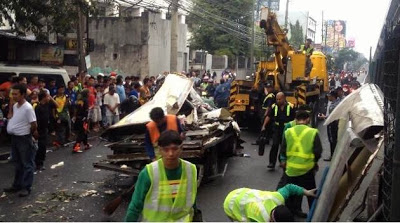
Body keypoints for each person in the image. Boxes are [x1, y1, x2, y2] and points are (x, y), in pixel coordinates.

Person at [125, 130, 197, 222]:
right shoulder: (148, 173)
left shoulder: (191, 170)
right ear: (160, 150)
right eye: (166, 150)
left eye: (174, 149)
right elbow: (135, 206)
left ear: (181, 148)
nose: (170, 154)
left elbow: (192, 199)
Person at [279, 109, 322, 217]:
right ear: (308, 119)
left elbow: (283, 150)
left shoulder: (288, 132)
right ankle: (314, 216)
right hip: (307, 169)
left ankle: (289, 214)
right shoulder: (313, 132)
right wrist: (314, 162)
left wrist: (286, 161)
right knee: (311, 194)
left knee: (290, 193)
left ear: (296, 119)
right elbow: (318, 151)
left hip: (291, 169)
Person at [4, 84, 38, 197]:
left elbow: (34, 124)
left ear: (23, 94)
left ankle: (26, 187)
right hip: (15, 138)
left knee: (27, 163)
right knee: (17, 163)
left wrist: (29, 133)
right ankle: (17, 185)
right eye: (12, 94)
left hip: (24, 138)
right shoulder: (15, 106)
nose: (13, 96)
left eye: (15, 94)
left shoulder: (28, 108)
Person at [223, 184, 317, 222]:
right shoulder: (261, 218)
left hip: (241, 193)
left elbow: (289, 188)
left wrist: (306, 192)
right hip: (231, 204)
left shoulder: (277, 198)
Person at [261, 92, 295, 170]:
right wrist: (264, 126)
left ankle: (282, 160)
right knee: (275, 144)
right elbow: (268, 116)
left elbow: (295, 119)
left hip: (287, 129)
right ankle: (272, 163)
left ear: (284, 98)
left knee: (284, 145)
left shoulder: (291, 106)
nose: (278, 101)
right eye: (277, 99)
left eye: (279, 99)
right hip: (277, 128)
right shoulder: (274, 106)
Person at [318, 90, 340, 161]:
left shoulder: (334, 105)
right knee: (334, 140)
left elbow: (332, 116)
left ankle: (333, 156)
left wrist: (324, 117)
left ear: (333, 96)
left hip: (332, 123)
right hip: (334, 123)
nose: (328, 97)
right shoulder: (335, 102)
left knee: (332, 140)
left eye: (329, 96)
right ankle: (334, 155)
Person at [34, 91, 51, 172]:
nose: (49, 98)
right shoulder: (38, 107)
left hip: (45, 129)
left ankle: (40, 163)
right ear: (43, 97)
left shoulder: (47, 105)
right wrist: (35, 130)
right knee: (40, 147)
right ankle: (38, 164)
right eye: (47, 96)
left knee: (43, 147)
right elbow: (36, 120)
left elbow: (57, 106)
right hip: (39, 130)